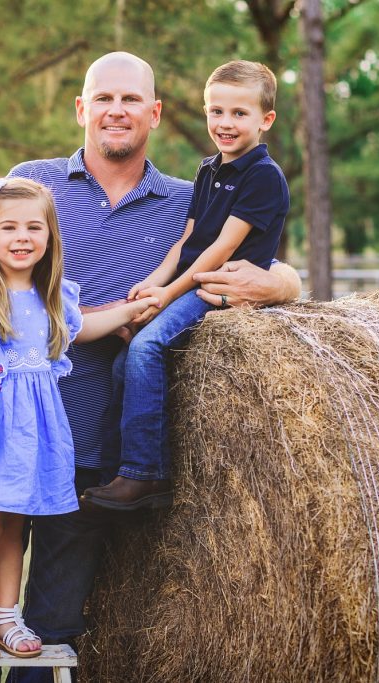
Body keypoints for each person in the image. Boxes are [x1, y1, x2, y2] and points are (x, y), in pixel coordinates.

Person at [0, 52, 301, 683]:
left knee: (51, 634)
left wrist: (283, 284)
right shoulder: (31, 185)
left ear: (156, 113)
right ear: (81, 109)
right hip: (3, 436)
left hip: (92, 452)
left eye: (130, 100)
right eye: (103, 98)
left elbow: (258, 260)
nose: (116, 110)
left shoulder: (187, 199)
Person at [0, 177, 158, 661]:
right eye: (8, 227)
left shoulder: (54, 297)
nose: (22, 237)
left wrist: (132, 310)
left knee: (13, 528)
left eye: (34, 227)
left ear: (50, 236)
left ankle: (7, 616)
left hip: (34, 434)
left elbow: (84, 328)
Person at [83, 59, 289, 511]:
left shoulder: (263, 176)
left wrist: (170, 294)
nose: (225, 123)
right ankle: (117, 468)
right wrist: (152, 284)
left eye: (239, 113)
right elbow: (188, 239)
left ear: (265, 120)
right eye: (216, 112)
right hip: (190, 282)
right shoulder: (209, 169)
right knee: (123, 362)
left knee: (146, 347)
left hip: (217, 291)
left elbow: (219, 250)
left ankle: (145, 475)